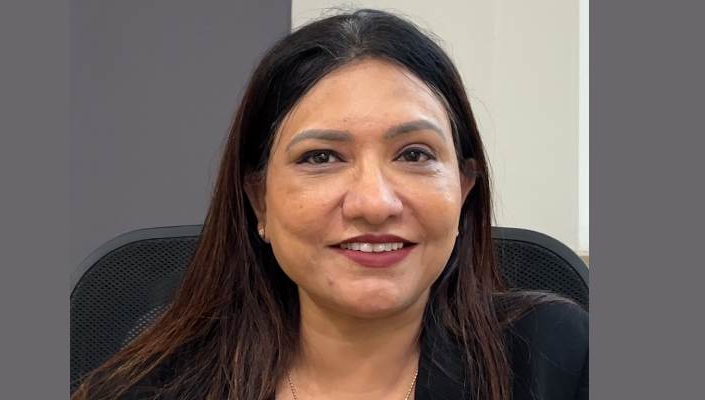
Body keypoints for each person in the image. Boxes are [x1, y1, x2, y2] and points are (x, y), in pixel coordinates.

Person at [72, 9, 588, 400]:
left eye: (414, 154)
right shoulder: (148, 389)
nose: (374, 203)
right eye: (321, 157)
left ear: (464, 189)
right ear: (259, 201)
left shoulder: (559, 359)